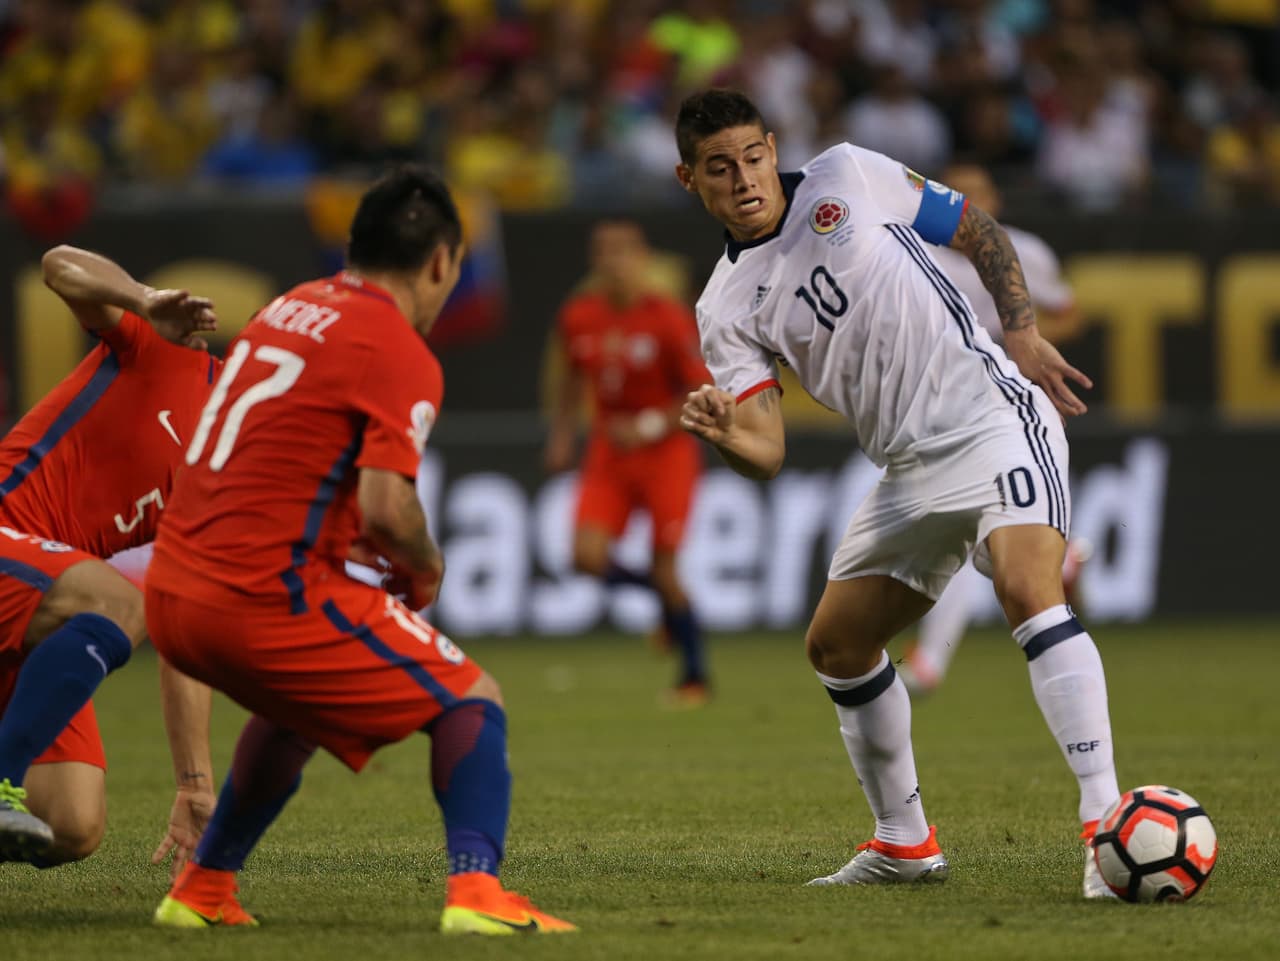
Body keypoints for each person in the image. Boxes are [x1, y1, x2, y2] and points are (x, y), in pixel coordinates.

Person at [673, 89, 1120, 897]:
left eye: (752, 157)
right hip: (908, 467)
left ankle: (1106, 826)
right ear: (689, 179)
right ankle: (904, 843)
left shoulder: (847, 173)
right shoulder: (724, 305)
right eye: (719, 167)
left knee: (1028, 587)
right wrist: (725, 435)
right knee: (837, 644)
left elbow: (976, 228)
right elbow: (766, 449)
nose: (743, 179)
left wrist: (1020, 332)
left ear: (772, 148)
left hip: (992, 415)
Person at [145, 166, 575, 934]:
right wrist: (426, 565)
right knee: (471, 697)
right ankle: (477, 893)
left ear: (354, 244)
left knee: (296, 713)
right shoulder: (396, 346)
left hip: (172, 589)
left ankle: (202, 888)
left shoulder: (286, 308)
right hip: (257, 595)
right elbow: (387, 506)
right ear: (441, 262)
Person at [0, 245, 219, 867]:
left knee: (72, 825)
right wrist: (145, 301)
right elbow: (57, 264)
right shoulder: (169, 355)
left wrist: (194, 785)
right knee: (116, 601)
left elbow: (183, 637)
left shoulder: (226, 481)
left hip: (36, 609)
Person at [898, 161, 1091, 696]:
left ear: (996, 201)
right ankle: (1060, 560)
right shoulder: (918, 252)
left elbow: (1070, 312)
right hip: (948, 406)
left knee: (967, 524)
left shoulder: (1023, 251)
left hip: (1014, 404)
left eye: (979, 192)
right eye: (958, 193)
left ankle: (931, 661)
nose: (970, 202)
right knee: (970, 524)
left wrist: (1021, 340)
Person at [543, 220, 713, 706]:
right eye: (605, 254)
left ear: (642, 260)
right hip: (609, 452)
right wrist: (561, 435)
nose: (614, 263)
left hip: (666, 453)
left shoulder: (666, 317)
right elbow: (570, 380)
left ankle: (694, 677)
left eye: (624, 253)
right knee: (585, 557)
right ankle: (664, 603)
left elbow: (698, 389)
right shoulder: (580, 316)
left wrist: (649, 426)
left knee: (666, 567)